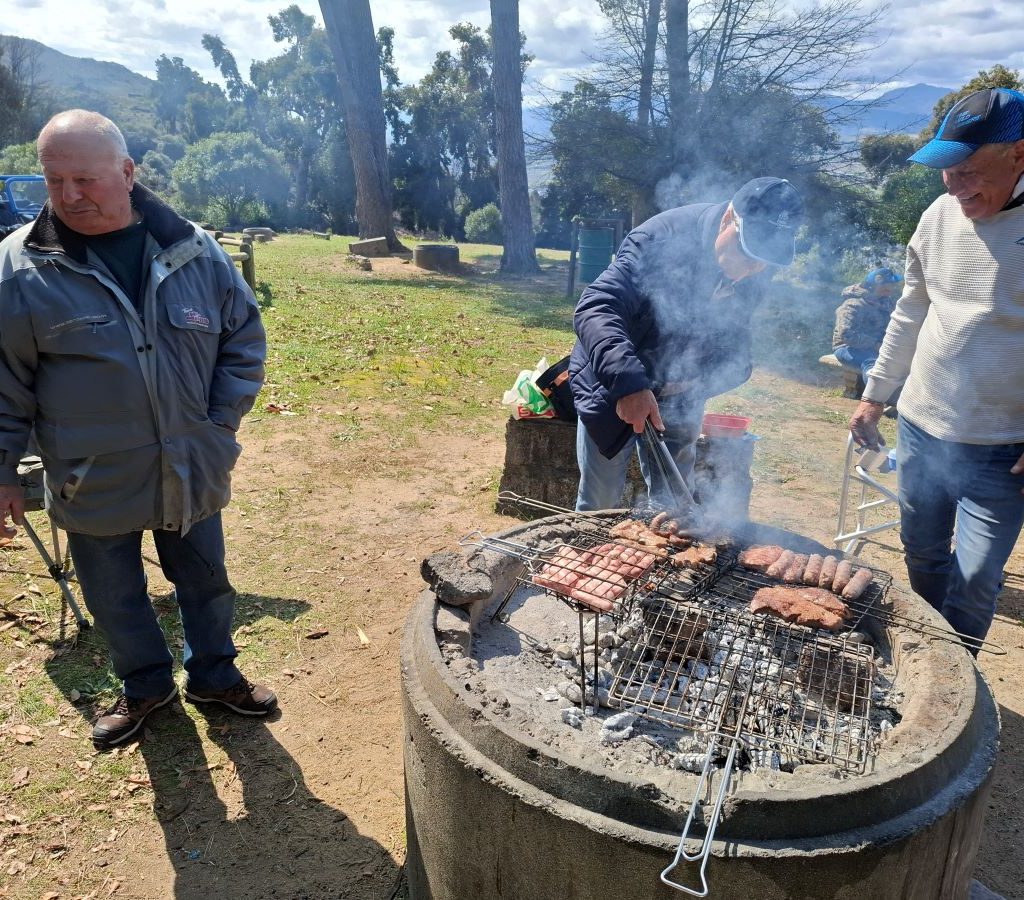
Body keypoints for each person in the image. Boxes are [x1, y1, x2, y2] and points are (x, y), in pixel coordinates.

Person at [0, 110, 276, 749]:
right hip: (89, 474)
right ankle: (146, 686)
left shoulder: (194, 251)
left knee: (205, 581)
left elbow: (242, 341)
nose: (70, 195)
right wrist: (4, 470)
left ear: (127, 173)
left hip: (192, 462)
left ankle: (215, 675)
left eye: (86, 179)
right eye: (55, 180)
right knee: (114, 595)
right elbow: (4, 379)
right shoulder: (20, 268)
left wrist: (218, 425)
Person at [849, 87, 1024, 653]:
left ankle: (955, 682)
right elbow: (910, 311)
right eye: (947, 171)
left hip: (1003, 448)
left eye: (968, 170)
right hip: (922, 427)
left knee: (974, 581)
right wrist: (875, 394)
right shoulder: (937, 217)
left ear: (1018, 153)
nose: (954, 185)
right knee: (922, 553)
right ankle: (926, 661)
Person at [569, 176, 804, 513]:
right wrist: (629, 385)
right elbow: (597, 307)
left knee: (676, 507)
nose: (753, 267)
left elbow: (731, 333)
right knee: (600, 499)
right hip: (616, 382)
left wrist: (702, 381)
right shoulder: (660, 241)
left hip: (681, 392)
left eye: (764, 258)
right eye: (747, 250)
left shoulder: (755, 267)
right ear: (729, 219)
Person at [832, 266, 904, 388]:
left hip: (877, 347)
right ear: (874, 284)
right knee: (872, 363)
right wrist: (875, 344)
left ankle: (895, 394)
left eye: (892, 284)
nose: (891, 287)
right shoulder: (853, 304)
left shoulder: (886, 303)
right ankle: (873, 396)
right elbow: (847, 335)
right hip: (847, 348)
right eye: (887, 284)